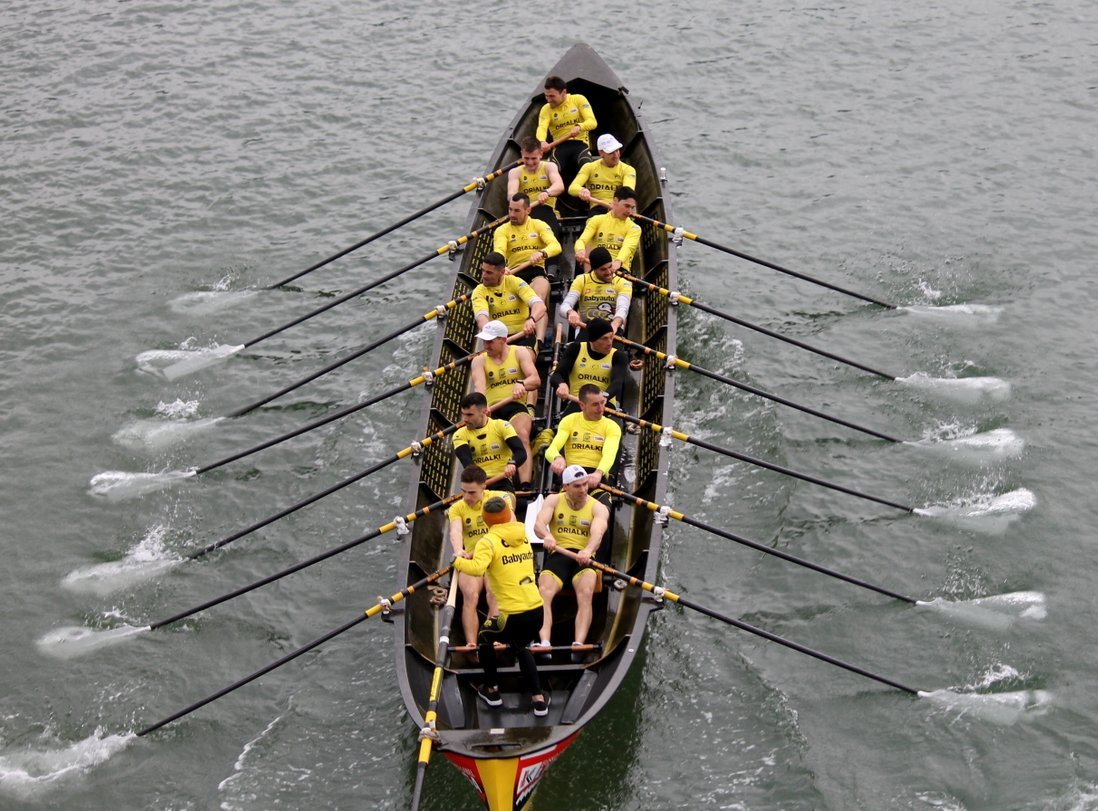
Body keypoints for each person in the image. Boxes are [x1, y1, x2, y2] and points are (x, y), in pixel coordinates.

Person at [453, 495, 550, 716]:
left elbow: (477, 569)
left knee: (485, 637)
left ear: (486, 520)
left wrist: (457, 560)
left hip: (513, 615)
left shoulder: (487, 542)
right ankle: (538, 700)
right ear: (508, 515)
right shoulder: (523, 535)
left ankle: (492, 690)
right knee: (521, 646)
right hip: (537, 610)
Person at [533, 464, 609, 651]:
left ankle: (579, 643)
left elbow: (598, 533)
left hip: (584, 557)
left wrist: (588, 550)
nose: (583, 489)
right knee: (543, 591)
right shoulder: (553, 500)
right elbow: (539, 524)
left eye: (585, 484)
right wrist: (547, 536)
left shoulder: (598, 507)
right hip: (559, 554)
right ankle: (544, 642)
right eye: (577, 486)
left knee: (585, 592)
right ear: (565, 487)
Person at [448, 465, 515, 649]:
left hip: (496, 557)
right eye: (463, 491)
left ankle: (492, 640)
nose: (466, 497)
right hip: (473, 558)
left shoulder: (500, 499)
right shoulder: (457, 508)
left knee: (494, 594)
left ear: (484, 487)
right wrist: (458, 550)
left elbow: (512, 528)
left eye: (472, 492)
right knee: (470, 595)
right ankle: (471, 644)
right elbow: (455, 531)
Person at [469, 320, 540, 489]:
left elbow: (535, 379)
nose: (486, 345)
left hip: (515, 406)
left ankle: (525, 485)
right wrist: (482, 408)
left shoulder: (519, 352)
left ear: (503, 339)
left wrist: (522, 383)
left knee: (521, 434)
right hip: (491, 410)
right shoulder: (479, 361)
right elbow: (480, 388)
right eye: (484, 341)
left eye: (490, 341)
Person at [493, 194, 561, 340]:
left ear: (528, 210)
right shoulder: (502, 230)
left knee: (538, 299)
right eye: (510, 210)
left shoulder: (539, 225)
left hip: (536, 272)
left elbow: (555, 246)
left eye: (517, 211)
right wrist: (502, 266)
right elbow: (499, 250)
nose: (512, 214)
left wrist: (542, 253)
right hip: (514, 275)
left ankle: (539, 342)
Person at [543, 383, 622, 491]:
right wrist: (557, 458)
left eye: (602, 402)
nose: (601, 408)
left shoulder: (612, 426)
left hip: (596, 478)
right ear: (582, 405)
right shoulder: (569, 420)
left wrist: (598, 473)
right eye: (595, 404)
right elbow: (551, 450)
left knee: (601, 502)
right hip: (573, 476)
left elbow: (609, 454)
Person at [550, 317, 630, 416]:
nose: (610, 343)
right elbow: (556, 375)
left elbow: (617, 382)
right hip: (578, 402)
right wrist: (561, 384)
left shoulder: (618, 356)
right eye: (604, 338)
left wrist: (603, 397)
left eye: (611, 337)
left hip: (605, 403)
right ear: (593, 340)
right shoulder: (575, 349)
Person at [452, 391, 527, 491]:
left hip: (503, 482)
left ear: (484, 412)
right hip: (478, 484)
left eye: (470, 415)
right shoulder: (459, 435)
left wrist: (512, 463)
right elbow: (468, 465)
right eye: (463, 414)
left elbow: (521, 452)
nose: (465, 419)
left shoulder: (501, 426)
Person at [471, 251, 547, 347]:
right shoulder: (479, 291)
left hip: (523, 335)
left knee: (521, 355)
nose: (484, 276)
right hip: (497, 338)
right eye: (483, 271)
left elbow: (540, 305)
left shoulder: (515, 282)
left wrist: (532, 319)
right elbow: (481, 318)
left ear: (502, 272)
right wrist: (490, 333)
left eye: (489, 272)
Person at [536, 75, 597, 190]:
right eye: (546, 96)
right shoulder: (546, 109)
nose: (548, 100)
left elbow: (592, 122)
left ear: (563, 93)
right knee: (548, 171)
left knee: (587, 167)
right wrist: (542, 141)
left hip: (580, 144)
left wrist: (580, 126)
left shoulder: (578, 99)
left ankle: (590, 196)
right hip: (560, 147)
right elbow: (542, 128)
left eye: (552, 96)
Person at [559, 246, 632, 336]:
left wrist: (615, 324)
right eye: (603, 269)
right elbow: (564, 306)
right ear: (594, 269)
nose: (609, 272)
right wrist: (570, 312)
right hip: (587, 329)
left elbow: (622, 309)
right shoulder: (581, 280)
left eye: (610, 266)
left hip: (612, 329)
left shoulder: (623, 283)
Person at [507, 135, 564, 239]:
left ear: (541, 154)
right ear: (521, 154)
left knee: (550, 232)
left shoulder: (549, 167)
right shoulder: (515, 172)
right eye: (526, 158)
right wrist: (520, 203)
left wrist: (547, 192)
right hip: (525, 212)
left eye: (533, 158)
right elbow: (511, 194)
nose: (530, 162)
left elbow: (559, 186)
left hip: (547, 210)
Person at [573, 187, 641, 274]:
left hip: (619, 271)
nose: (629, 211)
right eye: (626, 206)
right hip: (598, 269)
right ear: (615, 201)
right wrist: (580, 250)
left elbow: (627, 248)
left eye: (632, 207)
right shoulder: (596, 220)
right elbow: (581, 241)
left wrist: (618, 261)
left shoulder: (635, 228)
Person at [567, 133, 636, 214]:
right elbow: (572, 188)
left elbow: (627, 192)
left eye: (617, 150)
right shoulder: (589, 167)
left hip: (618, 209)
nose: (616, 155)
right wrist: (582, 190)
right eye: (611, 152)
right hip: (597, 209)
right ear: (601, 153)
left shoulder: (628, 169)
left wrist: (616, 204)